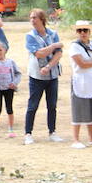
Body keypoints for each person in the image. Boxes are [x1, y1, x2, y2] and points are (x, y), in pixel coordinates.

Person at [23, 9, 64, 144]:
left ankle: (52, 131)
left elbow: (59, 54)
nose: (32, 20)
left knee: (52, 105)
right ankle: (28, 133)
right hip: (36, 76)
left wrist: (48, 66)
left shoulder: (53, 33)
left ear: (42, 19)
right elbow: (39, 53)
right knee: (33, 105)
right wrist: (53, 45)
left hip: (52, 75)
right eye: (31, 18)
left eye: (35, 17)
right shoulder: (30, 36)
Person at [67, 22, 92, 148]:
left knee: (91, 107)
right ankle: (75, 139)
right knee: (78, 108)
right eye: (80, 31)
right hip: (80, 80)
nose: (82, 33)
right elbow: (81, 63)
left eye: (85, 30)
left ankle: (91, 138)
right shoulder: (74, 46)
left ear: (89, 32)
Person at [0, 40, 20, 138]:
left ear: (5, 50)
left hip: (9, 88)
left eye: (0, 50)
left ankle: (10, 129)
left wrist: (14, 83)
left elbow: (18, 73)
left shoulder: (10, 62)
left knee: (9, 108)